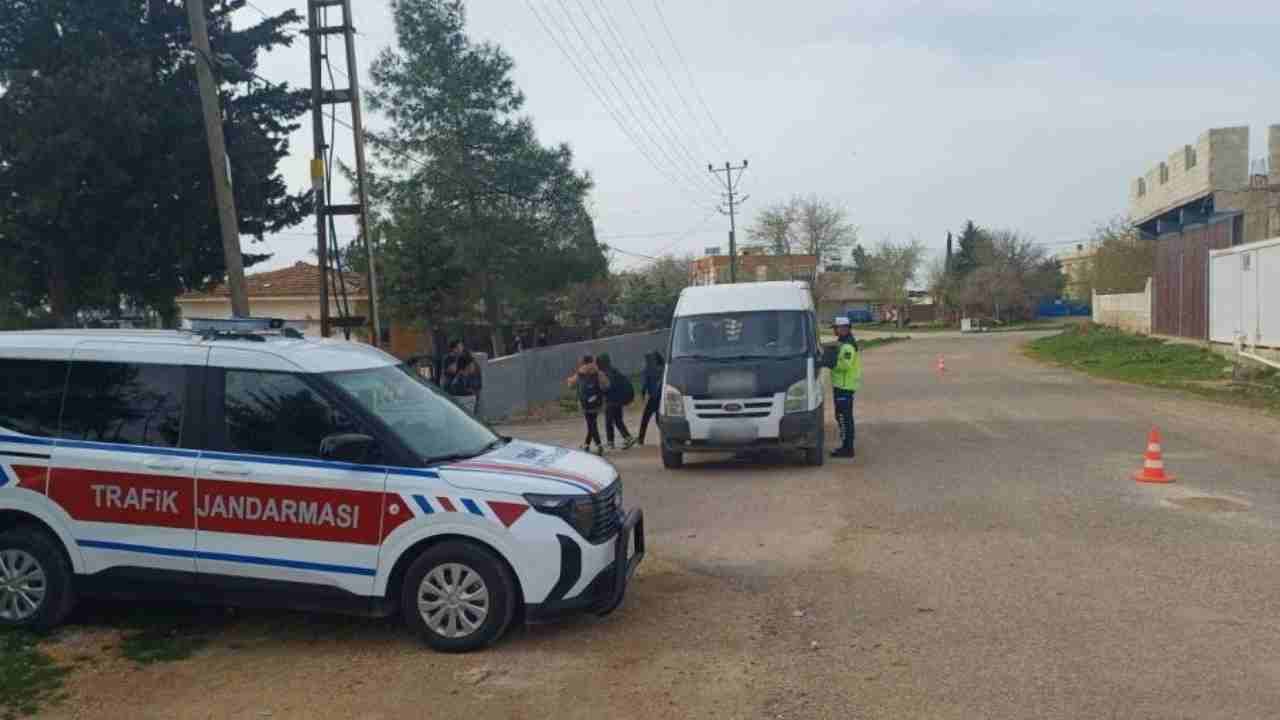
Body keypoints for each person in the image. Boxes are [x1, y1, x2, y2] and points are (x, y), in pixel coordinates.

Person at [828, 317, 863, 458]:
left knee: (844, 418)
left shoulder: (848, 346)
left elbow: (845, 365)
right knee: (841, 416)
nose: (835, 331)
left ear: (844, 328)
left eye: (836, 328)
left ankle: (847, 449)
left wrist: (830, 363)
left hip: (844, 387)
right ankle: (847, 446)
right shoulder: (843, 343)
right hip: (841, 386)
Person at [566, 355, 607, 455]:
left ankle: (599, 445)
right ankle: (586, 444)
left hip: (585, 403)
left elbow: (571, 385)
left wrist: (569, 380)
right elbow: (606, 384)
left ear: (583, 362)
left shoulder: (580, 373)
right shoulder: (598, 372)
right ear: (592, 361)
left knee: (591, 423)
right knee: (592, 423)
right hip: (597, 401)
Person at [596, 352, 635, 450]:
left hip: (612, 400)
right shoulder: (613, 370)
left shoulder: (607, 372)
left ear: (602, 362)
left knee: (609, 421)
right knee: (617, 420)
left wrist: (602, 391)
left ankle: (610, 442)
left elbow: (609, 386)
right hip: (618, 399)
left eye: (598, 362)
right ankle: (628, 437)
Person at [442, 339, 482, 414]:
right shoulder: (448, 359)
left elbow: (473, 370)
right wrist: (459, 359)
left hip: (470, 389)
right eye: (458, 347)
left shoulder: (466, 357)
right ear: (453, 349)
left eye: (461, 346)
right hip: (456, 391)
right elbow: (452, 370)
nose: (461, 348)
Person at [637, 351, 665, 446]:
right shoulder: (664, 368)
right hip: (662, 398)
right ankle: (666, 436)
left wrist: (642, 394)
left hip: (653, 398)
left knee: (645, 419)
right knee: (659, 418)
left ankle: (641, 439)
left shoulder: (648, 369)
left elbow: (644, 384)